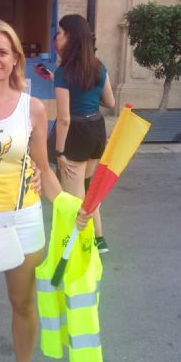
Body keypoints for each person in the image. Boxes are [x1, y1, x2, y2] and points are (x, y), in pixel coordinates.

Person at [0, 19, 92, 362]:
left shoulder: (33, 108)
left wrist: (69, 205)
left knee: (23, 303)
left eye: (2, 52)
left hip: (22, 219)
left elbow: (44, 168)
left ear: (15, 59)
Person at [50, 14, 115, 253]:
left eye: (59, 33)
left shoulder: (63, 72)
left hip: (75, 133)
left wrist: (59, 152)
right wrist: (88, 93)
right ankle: (99, 239)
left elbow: (64, 118)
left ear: (70, 37)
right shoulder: (98, 66)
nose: (56, 37)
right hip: (96, 130)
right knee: (87, 189)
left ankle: (83, 246)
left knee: (75, 196)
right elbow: (110, 102)